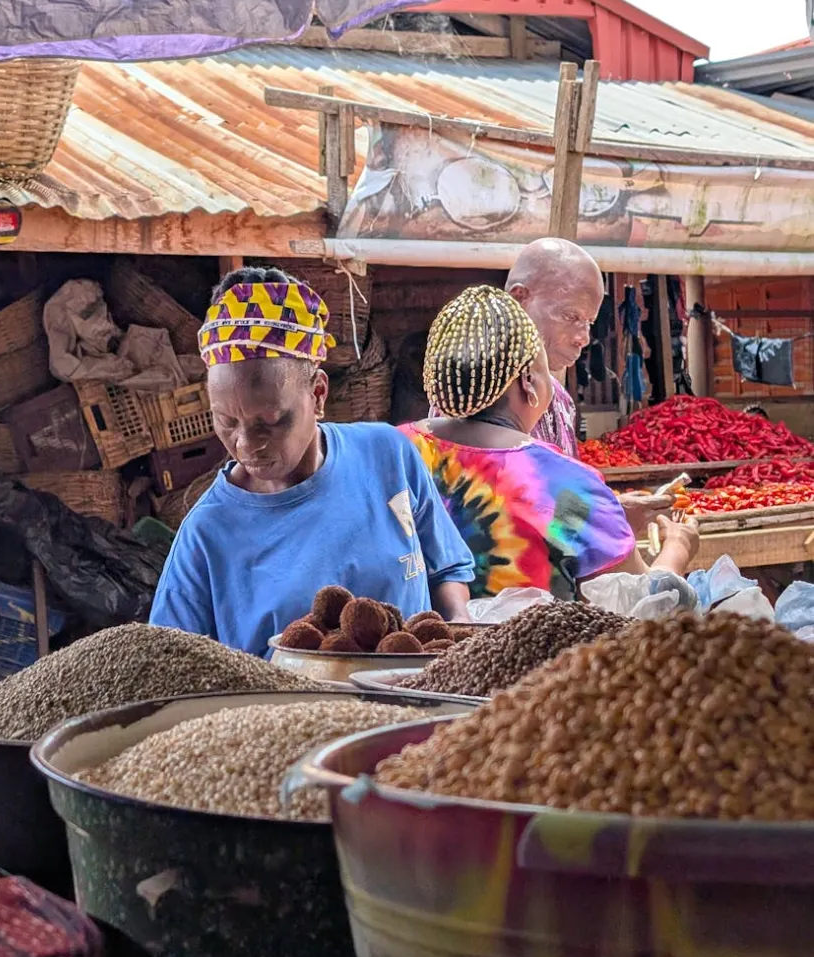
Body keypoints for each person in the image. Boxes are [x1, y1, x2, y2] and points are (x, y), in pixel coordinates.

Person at [149, 266, 474, 655]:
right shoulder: (208, 535)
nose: (247, 443)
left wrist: (459, 635)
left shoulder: (388, 456)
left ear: (318, 394)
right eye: (226, 422)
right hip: (287, 717)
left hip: (413, 708)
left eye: (270, 421)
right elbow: (170, 663)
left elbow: (447, 571)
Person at [401, 286, 699, 601]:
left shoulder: (390, 451)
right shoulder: (568, 485)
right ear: (529, 383)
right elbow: (643, 608)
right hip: (524, 650)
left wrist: (608, 516)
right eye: (547, 373)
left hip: (401, 647)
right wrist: (678, 547)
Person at [506, 237, 671, 535]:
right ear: (519, 299)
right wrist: (607, 516)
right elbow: (511, 507)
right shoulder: (480, 394)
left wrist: (608, 510)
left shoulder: (561, 401)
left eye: (589, 322)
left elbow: (560, 501)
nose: (583, 337)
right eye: (570, 317)